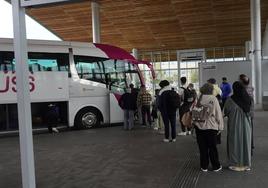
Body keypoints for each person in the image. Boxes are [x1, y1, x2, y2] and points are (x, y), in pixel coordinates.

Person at [193, 83, 224, 172]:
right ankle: (216, 166)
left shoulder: (199, 98)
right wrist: (220, 126)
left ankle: (204, 166)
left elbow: (194, 111)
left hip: (199, 126)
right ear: (211, 90)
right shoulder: (213, 98)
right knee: (212, 147)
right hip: (211, 127)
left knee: (202, 148)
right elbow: (218, 114)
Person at [224, 81, 252, 171]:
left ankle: (235, 164)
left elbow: (226, 112)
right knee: (246, 142)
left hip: (234, 124)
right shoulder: (248, 99)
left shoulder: (230, 100)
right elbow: (251, 112)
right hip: (246, 124)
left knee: (234, 143)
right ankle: (246, 164)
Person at [239, 74, 255, 156]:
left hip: (245, 114)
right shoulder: (250, 88)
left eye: (239, 80)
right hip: (250, 113)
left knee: (245, 132)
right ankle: (250, 147)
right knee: (250, 131)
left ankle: (247, 149)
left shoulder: (243, 90)